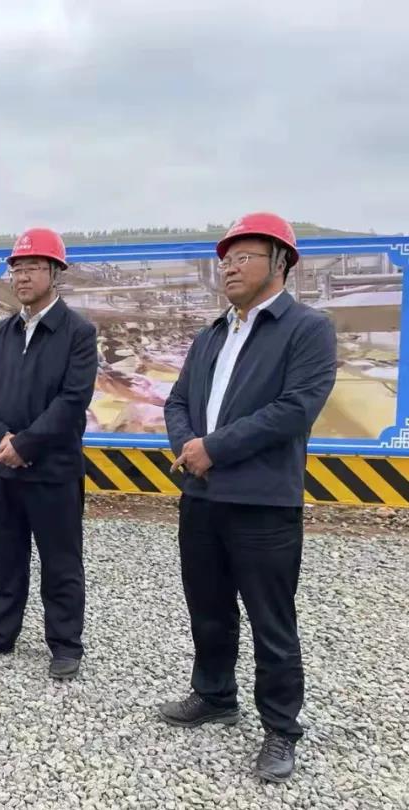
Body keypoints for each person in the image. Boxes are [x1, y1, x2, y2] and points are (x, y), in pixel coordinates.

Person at [161, 213, 337, 783]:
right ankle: (214, 694)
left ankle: (281, 727)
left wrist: (213, 448)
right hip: (202, 496)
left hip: (263, 502)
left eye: (244, 257)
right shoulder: (214, 333)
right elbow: (177, 401)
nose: (230, 268)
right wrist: (188, 446)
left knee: (271, 619)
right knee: (208, 607)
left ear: (281, 262)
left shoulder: (307, 329)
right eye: (225, 259)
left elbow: (295, 408)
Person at [0, 228, 97, 682]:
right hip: (2, 467)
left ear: (55, 273)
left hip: (53, 470)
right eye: (17, 269)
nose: (22, 277)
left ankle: (65, 644)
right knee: (7, 556)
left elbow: (72, 400)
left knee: (61, 561)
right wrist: (2, 439)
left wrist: (25, 444)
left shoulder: (78, 333)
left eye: (33, 267)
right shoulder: (1, 332)